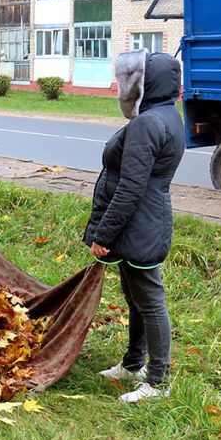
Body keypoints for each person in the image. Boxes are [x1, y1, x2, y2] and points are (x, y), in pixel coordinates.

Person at [83, 49, 185, 404]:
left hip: (138, 222)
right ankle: (133, 363)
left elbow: (130, 188)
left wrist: (103, 234)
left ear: (150, 83)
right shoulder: (168, 116)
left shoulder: (147, 123)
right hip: (147, 220)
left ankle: (157, 381)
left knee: (150, 300)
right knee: (136, 297)